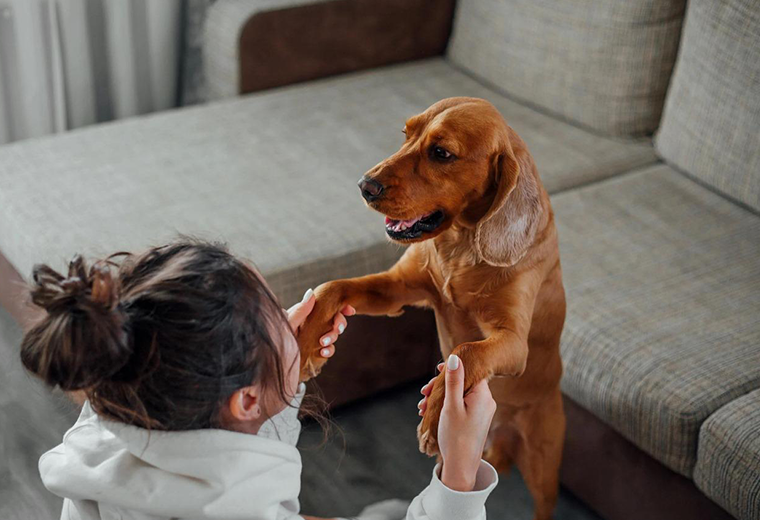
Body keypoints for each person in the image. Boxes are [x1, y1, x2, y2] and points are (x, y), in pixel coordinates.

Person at [20, 239, 498, 520]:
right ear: (245, 401)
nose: (290, 320)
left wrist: (275, 376)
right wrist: (459, 470)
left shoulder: (118, 400)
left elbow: (225, 440)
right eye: (275, 318)